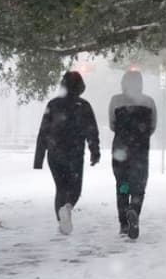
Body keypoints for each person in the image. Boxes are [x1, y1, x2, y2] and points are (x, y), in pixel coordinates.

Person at [34, 71, 101, 236]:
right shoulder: (83, 106)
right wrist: (95, 152)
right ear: (80, 87)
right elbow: (92, 131)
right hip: (74, 153)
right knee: (75, 189)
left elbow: (43, 131)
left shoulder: (53, 104)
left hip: (55, 153)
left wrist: (39, 159)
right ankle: (68, 208)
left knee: (60, 188)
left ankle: (62, 221)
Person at [109, 70, 157, 239]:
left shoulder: (115, 101)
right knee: (139, 185)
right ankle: (133, 210)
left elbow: (112, 125)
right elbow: (152, 126)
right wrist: (140, 136)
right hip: (140, 150)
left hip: (120, 149)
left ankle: (123, 224)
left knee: (122, 184)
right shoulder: (149, 102)